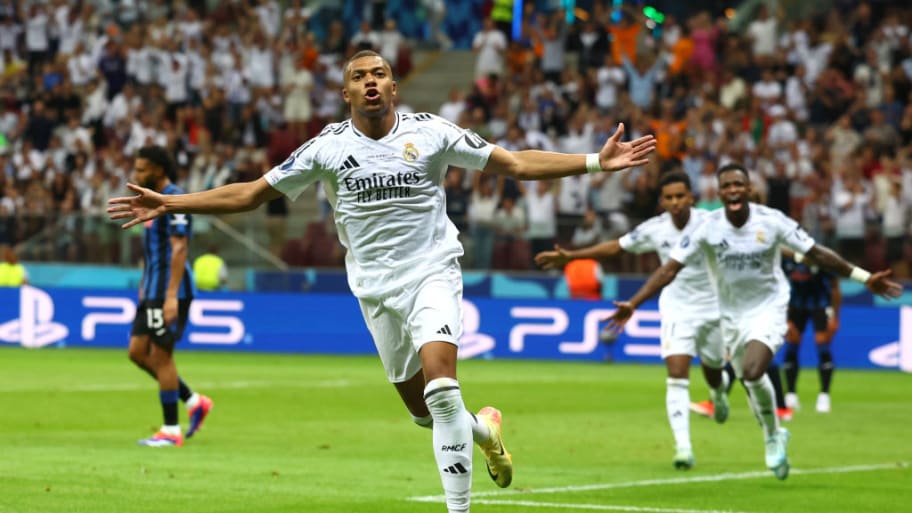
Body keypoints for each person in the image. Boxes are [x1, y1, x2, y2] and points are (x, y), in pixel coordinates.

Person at [109, 50, 656, 513]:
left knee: (442, 391)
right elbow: (251, 193)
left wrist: (592, 162)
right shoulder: (326, 147)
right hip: (373, 289)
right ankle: (485, 431)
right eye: (358, 77)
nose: (370, 82)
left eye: (378, 74)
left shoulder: (432, 133)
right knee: (425, 415)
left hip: (432, 272)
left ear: (393, 86)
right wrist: (172, 201)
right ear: (346, 94)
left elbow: (512, 164)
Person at [606, 163, 902, 480]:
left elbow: (816, 253)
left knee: (752, 370)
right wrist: (634, 303)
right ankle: (774, 432)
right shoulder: (706, 228)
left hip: (769, 307)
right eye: (727, 185)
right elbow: (668, 270)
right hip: (730, 315)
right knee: (747, 378)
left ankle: (772, 437)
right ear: (719, 193)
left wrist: (864, 276)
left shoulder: (772, 221)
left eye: (738, 184)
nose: (733, 189)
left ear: (748, 190)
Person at [535, 171, 729, 470]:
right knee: (676, 373)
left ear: (691, 197)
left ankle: (717, 392)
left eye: (680, 196)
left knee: (713, 369)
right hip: (677, 308)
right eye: (669, 197)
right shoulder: (656, 228)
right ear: (662, 201)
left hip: (713, 308)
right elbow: (616, 247)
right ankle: (684, 448)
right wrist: (573, 256)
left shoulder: (710, 223)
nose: (675, 202)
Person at [126, 145, 214, 448]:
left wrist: (171, 297)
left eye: (141, 170)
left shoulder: (176, 200)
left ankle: (171, 430)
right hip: (150, 289)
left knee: (162, 357)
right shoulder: (148, 200)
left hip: (170, 291)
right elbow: (153, 252)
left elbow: (179, 249)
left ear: (159, 170)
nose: (136, 175)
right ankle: (193, 400)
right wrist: (144, 286)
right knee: (137, 353)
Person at [781, 249, 841, 413]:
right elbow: (778, 287)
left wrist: (835, 317)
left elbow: (835, 289)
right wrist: (783, 317)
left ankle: (824, 395)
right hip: (795, 306)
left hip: (820, 306)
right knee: (792, 343)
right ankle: (791, 395)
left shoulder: (821, 260)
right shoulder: (786, 260)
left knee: (822, 344)